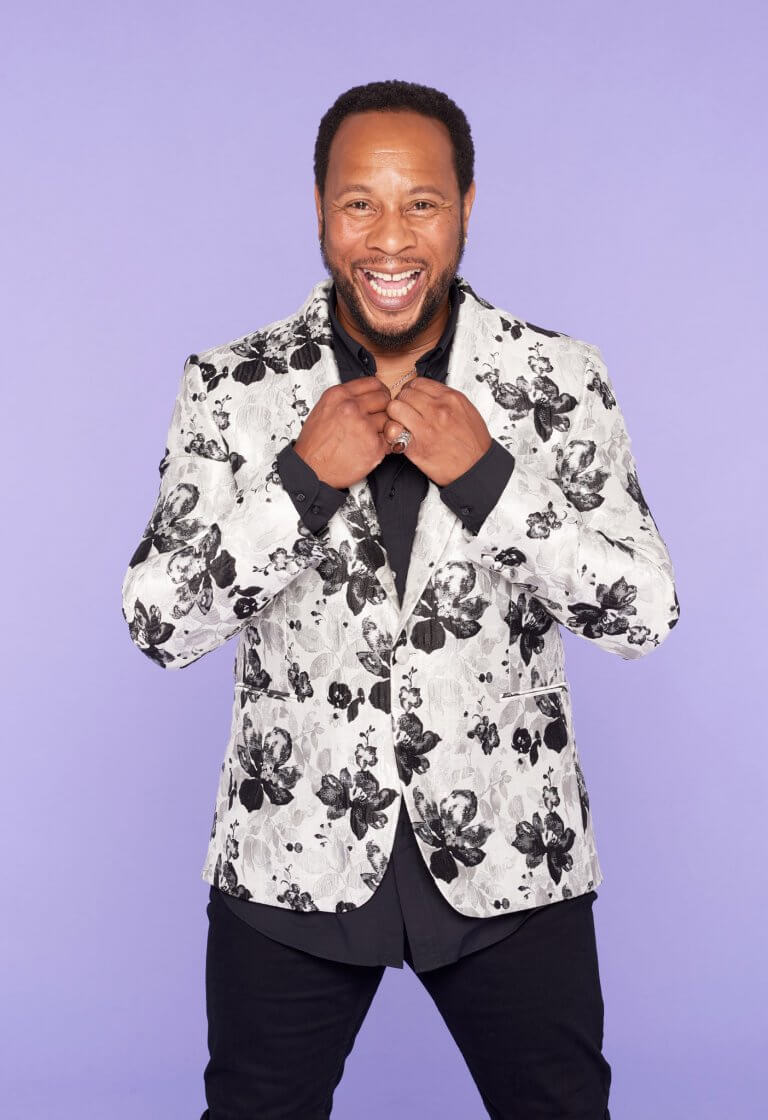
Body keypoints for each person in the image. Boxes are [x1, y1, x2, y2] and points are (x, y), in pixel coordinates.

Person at [121, 79, 680, 1119]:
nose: (389, 237)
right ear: (319, 208)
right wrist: (300, 480)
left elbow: (645, 612)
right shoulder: (232, 386)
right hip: (291, 857)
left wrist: (490, 480)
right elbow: (157, 621)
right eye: (359, 203)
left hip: (514, 857)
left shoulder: (559, 377)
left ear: (466, 206)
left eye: (421, 202)